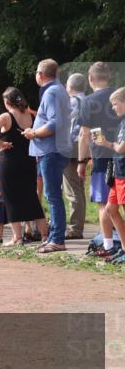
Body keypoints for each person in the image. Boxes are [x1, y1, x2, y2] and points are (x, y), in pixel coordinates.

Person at [22, 59, 72, 253]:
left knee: (53, 196)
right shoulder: (59, 90)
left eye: (36, 72)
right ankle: (54, 237)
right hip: (55, 149)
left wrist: (33, 133)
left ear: (41, 74)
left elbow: (54, 123)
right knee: (52, 195)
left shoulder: (51, 92)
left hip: (50, 150)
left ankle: (57, 239)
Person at [0, 87, 47, 245]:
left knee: (11, 199)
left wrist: (1, 144)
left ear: (7, 102)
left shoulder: (6, 116)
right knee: (32, 198)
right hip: (28, 161)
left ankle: (17, 237)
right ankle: (45, 235)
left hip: (10, 161)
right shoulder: (31, 115)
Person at [78, 62, 122, 245]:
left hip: (101, 156)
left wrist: (81, 161)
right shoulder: (119, 96)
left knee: (104, 202)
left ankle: (108, 244)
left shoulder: (88, 101)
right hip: (120, 153)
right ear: (109, 77)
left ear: (90, 78)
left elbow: (84, 134)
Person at [91, 88, 125, 262]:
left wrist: (106, 143)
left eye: (115, 104)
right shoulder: (121, 122)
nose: (113, 107)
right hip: (118, 172)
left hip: (123, 173)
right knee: (111, 209)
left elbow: (121, 148)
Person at [62, 73, 87, 239]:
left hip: (71, 147)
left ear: (69, 87)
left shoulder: (72, 102)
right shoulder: (88, 101)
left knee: (72, 190)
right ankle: (78, 226)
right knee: (79, 188)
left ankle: (74, 229)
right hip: (83, 147)